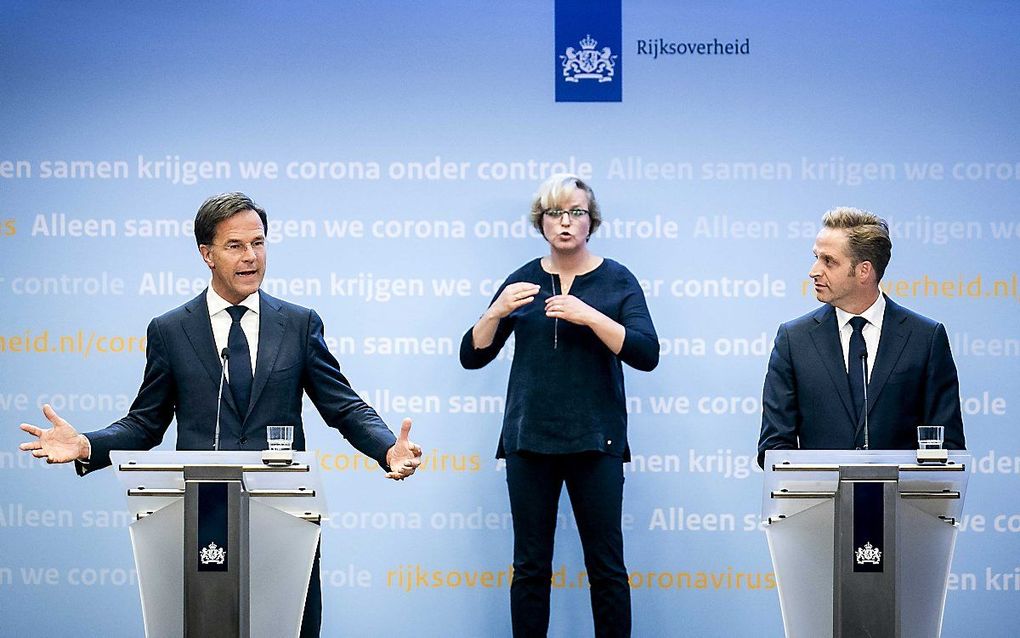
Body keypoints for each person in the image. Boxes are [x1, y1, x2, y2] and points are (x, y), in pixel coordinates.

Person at [19, 192, 422, 637]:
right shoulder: (172, 329)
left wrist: (387, 448)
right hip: (203, 511)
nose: (251, 257)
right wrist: (87, 445)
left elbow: (343, 406)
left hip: (285, 510)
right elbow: (146, 422)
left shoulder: (299, 323)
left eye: (259, 243)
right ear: (206, 254)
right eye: (235, 246)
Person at [460, 174, 658, 637]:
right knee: (530, 566)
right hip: (529, 440)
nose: (565, 222)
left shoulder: (617, 278)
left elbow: (646, 353)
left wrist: (589, 315)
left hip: (596, 439)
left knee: (606, 566)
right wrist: (495, 312)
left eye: (575, 213)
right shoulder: (523, 279)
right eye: (554, 213)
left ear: (592, 221)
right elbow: (472, 356)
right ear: (541, 222)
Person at [757, 207, 965, 468]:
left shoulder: (925, 338)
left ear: (864, 271)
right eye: (816, 257)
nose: (814, 270)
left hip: (902, 506)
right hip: (819, 505)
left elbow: (948, 447)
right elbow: (774, 448)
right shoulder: (794, 340)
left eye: (828, 261)